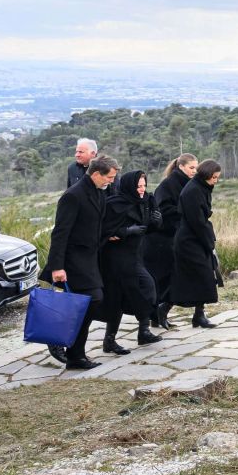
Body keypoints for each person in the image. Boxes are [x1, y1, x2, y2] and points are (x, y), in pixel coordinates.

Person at [45, 155, 119, 369]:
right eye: (109, 177)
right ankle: (70, 349)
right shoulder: (73, 195)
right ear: (96, 174)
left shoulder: (98, 192)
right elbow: (60, 233)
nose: (111, 181)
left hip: (90, 258)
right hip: (73, 261)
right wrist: (57, 267)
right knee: (92, 299)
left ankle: (74, 354)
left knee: (88, 303)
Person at [99, 169, 163, 354]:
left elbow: (146, 229)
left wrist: (156, 221)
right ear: (129, 186)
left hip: (134, 256)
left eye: (144, 185)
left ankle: (143, 331)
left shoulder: (145, 202)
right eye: (138, 186)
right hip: (115, 259)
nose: (142, 189)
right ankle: (110, 340)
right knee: (117, 298)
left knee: (147, 287)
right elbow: (103, 230)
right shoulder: (114, 204)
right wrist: (125, 231)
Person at [143, 154, 196, 329]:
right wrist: (185, 213)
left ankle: (159, 314)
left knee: (171, 278)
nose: (195, 171)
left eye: (196, 168)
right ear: (181, 166)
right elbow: (163, 211)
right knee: (165, 279)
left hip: (173, 238)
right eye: (191, 167)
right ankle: (156, 314)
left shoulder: (186, 184)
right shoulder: (168, 185)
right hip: (161, 240)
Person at [170, 160, 222, 329]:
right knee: (197, 277)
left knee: (203, 277)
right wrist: (208, 242)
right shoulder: (193, 190)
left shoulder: (201, 187)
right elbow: (196, 221)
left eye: (217, 177)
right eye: (214, 177)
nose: (215, 181)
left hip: (195, 237)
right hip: (189, 240)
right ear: (206, 174)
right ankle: (164, 308)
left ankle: (199, 315)